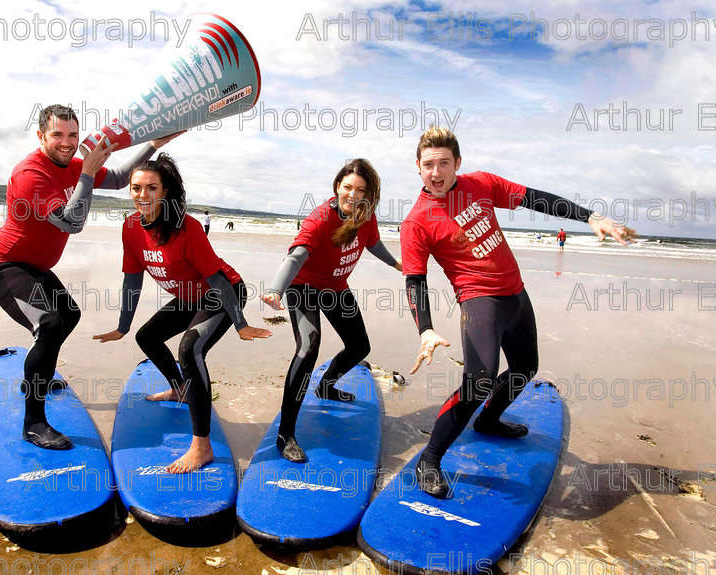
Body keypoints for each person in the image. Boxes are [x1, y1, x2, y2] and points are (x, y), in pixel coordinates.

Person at [401, 127, 634, 497]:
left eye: (444, 162)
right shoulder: (417, 221)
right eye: (428, 164)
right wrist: (425, 329)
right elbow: (415, 280)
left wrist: (589, 217)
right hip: (480, 300)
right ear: (418, 167)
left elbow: (534, 199)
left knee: (526, 366)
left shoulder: (481, 183)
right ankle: (429, 459)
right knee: (479, 380)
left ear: (457, 163)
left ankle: (489, 420)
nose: (436, 171)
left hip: (516, 292)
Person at [0, 104, 179, 451]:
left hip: (36, 268)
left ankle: (36, 377)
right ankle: (34, 423)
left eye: (73, 134)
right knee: (50, 324)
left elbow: (117, 179)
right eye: (57, 134)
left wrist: (152, 145)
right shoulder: (31, 174)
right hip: (4, 265)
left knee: (68, 315)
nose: (67, 142)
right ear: (41, 135)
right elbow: (72, 222)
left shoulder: (72, 166)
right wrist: (86, 174)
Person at [93, 153, 271, 473]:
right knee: (147, 337)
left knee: (190, 349)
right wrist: (122, 325)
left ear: (165, 192)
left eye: (152, 188)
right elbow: (132, 278)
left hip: (223, 292)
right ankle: (180, 389)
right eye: (136, 188)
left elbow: (217, 279)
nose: (142, 195)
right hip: (189, 296)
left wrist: (241, 323)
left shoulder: (186, 227)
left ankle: (201, 447)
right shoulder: (131, 227)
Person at [261, 158, 402, 462]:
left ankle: (326, 385)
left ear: (370, 194)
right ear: (338, 186)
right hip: (303, 287)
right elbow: (297, 255)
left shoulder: (366, 216)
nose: (353, 194)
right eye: (347, 187)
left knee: (359, 346)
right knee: (308, 348)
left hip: (335, 288)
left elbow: (373, 243)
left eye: (361, 190)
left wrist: (395, 263)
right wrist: (276, 289)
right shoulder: (321, 219)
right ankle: (285, 435)